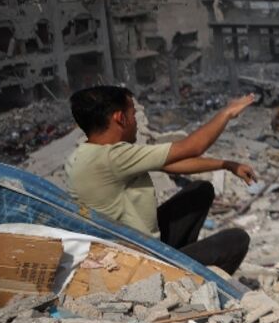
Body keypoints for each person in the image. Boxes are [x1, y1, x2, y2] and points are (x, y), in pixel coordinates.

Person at [65, 86, 257, 275]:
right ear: (120, 118)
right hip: (139, 262)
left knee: (200, 191)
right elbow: (193, 147)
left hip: (140, 245)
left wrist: (226, 164)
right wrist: (227, 113)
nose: (136, 122)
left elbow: (170, 163)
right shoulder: (111, 158)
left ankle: (182, 261)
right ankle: (185, 280)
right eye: (133, 114)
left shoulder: (87, 155)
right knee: (237, 240)